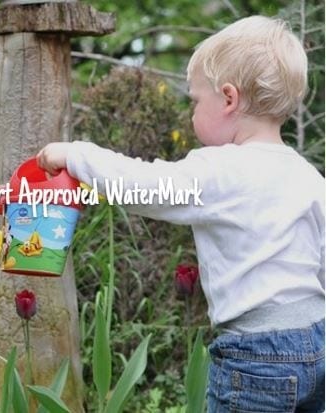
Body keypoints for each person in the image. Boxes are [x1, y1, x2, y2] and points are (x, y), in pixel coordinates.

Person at [36, 15, 325, 412]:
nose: (191, 114)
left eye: (195, 101)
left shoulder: (221, 169)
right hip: (317, 343)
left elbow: (144, 187)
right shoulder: (306, 175)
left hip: (257, 356)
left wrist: (75, 155)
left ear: (228, 99)